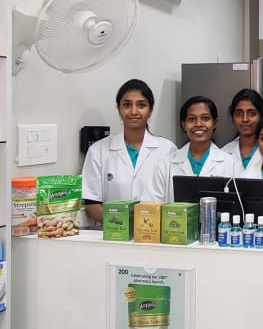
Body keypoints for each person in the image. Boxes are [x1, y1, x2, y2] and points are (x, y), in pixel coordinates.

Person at [83, 79, 176, 226]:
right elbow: (91, 205)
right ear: (119, 109)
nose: (134, 111)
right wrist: (123, 226)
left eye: (141, 105)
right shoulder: (98, 151)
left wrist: (146, 228)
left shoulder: (167, 149)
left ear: (150, 110)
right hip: (113, 235)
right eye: (127, 105)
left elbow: (173, 200)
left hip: (155, 235)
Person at [146, 96, 236, 202]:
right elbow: (151, 204)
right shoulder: (166, 163)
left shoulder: (231, 163)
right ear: (183, 124)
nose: (198, 124)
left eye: (205, 118)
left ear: (215, 123)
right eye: (191, 119)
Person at [222, 89, 263, 174]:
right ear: (233, 118)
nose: (245, 119)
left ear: (261, 116)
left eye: (251, 113)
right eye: (239, 114)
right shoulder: (224, 153)